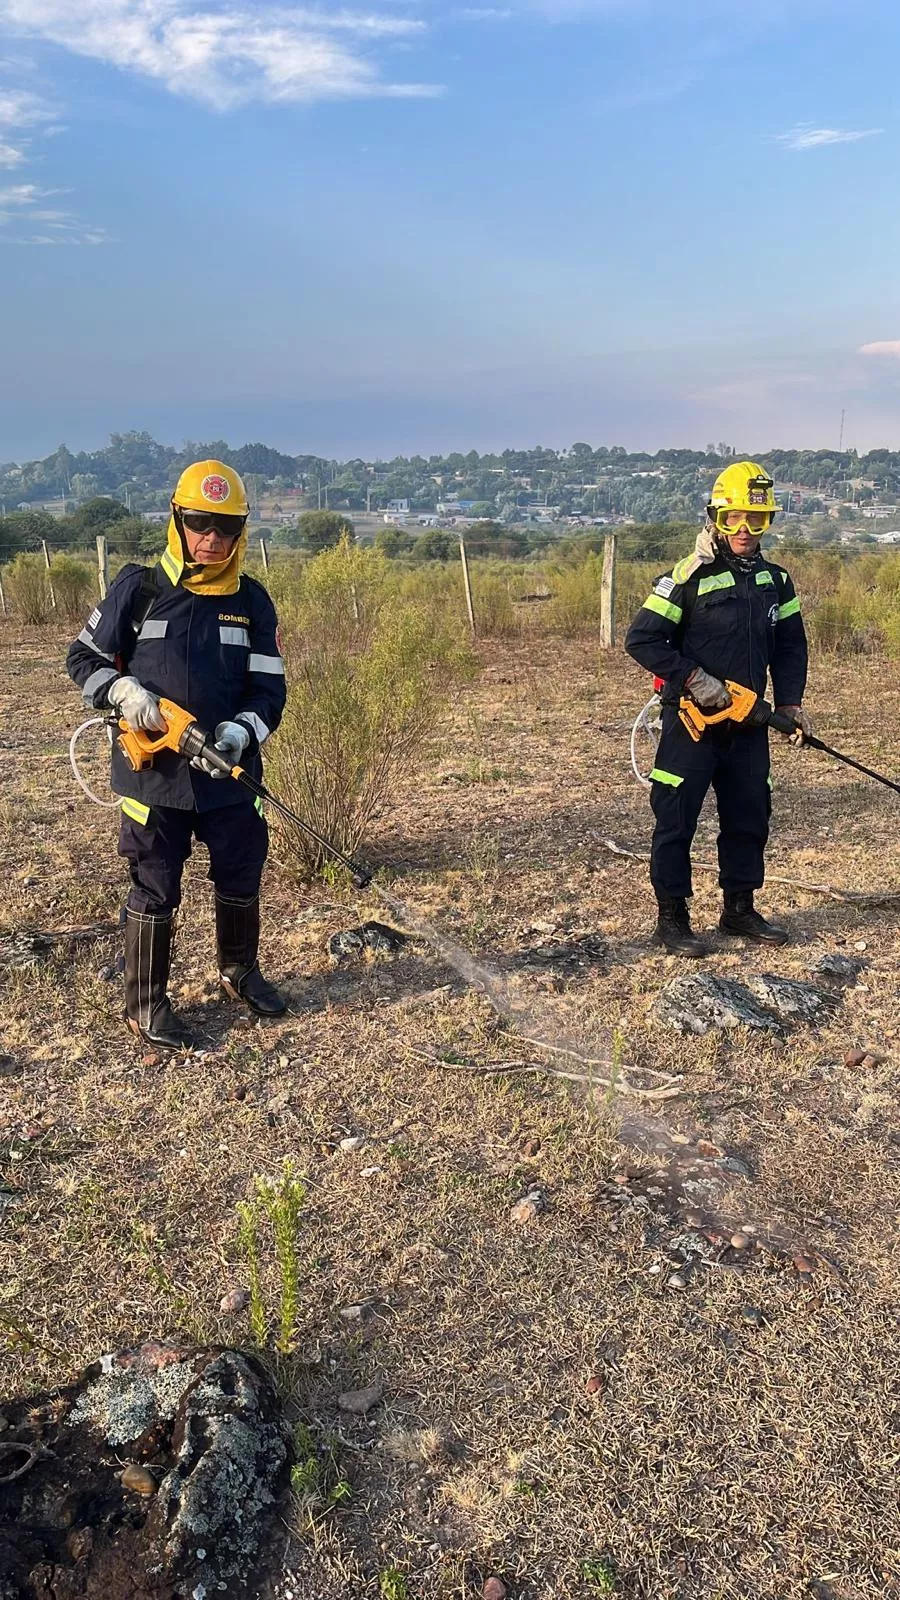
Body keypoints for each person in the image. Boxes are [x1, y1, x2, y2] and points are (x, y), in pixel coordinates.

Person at [67, 459, 287, 1049]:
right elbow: (82, 658)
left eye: (226, 527)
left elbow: (269, 689)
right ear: (176, 519)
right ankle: (146, 1004)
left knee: (241, 868)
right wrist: (122, 690)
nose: (212, 538)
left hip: (229, 772)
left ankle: (239, 971)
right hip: (153, 778)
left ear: (241, 531)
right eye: (199, 523)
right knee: (156, 882)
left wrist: (242, 731)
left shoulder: (252, 601)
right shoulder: (138, 590)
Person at [624, 460, 810, 956]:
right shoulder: (686, 577)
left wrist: (791, 703)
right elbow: (641, 639)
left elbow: (791, 646)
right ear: (715, 518)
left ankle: (739, 910)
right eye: (734, 518)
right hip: (692, 724)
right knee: (675, 819)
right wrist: (693, 678)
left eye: (757, 518)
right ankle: (672, 919)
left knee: (749, 816)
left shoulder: (777, 581)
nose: (745, 529)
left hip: (748, 725)